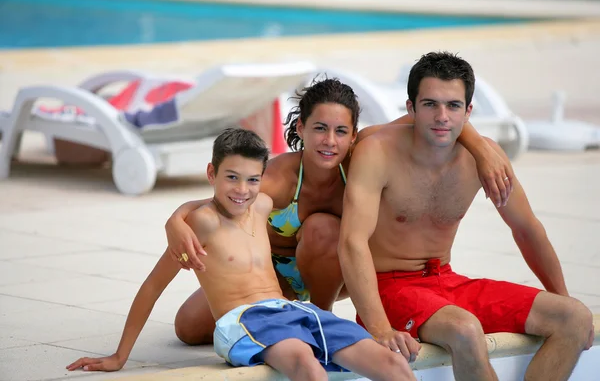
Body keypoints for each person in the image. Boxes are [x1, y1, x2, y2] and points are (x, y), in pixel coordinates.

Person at [166, 77, 515, 347]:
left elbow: (428, 115)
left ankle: (321, 320)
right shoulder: (279, 177)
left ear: (353, 135)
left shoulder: (362, 154)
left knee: (322, 228)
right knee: (187, 330)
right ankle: (296, 311)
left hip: (337, 274)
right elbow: (222, 201)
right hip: (275, 279)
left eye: (340, 131)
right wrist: (176, 219)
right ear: (301, 129)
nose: (329, 140)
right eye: (319, 128)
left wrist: (480, 148)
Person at [65, 128, 416, 381]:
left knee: (393, 366)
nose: (241, 190)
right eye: (231, 177)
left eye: (252, 180)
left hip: (295, 311)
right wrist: (119, 355)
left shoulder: (262, 205)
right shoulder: (201, 224)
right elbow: (153, 287)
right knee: (307, 368)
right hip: (247, 320)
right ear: (211, 174)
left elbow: (373, 136)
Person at [337, 51, 594, 381]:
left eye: (453, 106)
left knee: (574, 318)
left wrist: (561, 295)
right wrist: (379, 328)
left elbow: (527, 229)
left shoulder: (484, 159)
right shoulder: (379, 150)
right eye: (430, 104)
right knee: (465, 329)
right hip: (391, 288)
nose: (442, 116)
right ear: (411, 108)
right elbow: (352, 242)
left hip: (447, 280)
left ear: (468, 112)